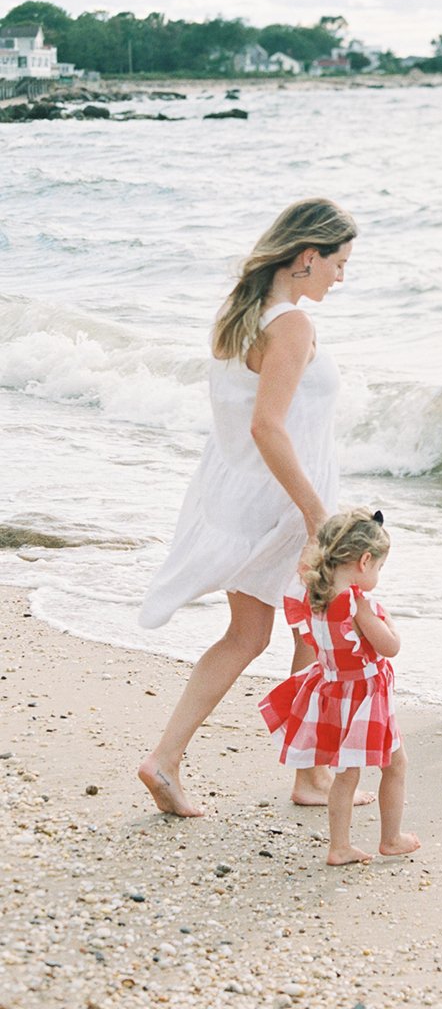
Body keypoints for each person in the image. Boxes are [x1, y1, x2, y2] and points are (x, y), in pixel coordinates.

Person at [137, 198, 358, 818]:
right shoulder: (291, 325)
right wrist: (317, 515)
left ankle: (167, 759)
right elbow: (268, 426)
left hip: (245, 493)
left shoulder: (241, 315)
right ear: (307, 256)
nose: (342, 276)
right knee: (315, 630)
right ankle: (310, 776)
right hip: (284, 501)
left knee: (251, 634)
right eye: (338, 262)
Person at [260, 509, 418, 865]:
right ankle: (389, 839)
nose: (377, 574)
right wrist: (387, 621)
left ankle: (340, 845)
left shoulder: (314, 595)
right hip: (364, 696)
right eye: (378, 567)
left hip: (334, 690)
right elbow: (389, 647)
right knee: (395, 765)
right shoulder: (358, 604)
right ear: (364, 560)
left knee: (345, 774)